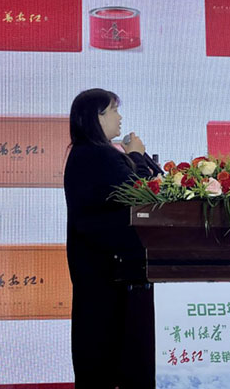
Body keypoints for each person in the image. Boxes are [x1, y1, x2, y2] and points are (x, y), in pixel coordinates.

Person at [64, 88, 155, 389]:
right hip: (108, 277)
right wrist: (137, 156)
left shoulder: (88, 153)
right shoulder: (96, 155)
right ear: (96, 117)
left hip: (104, 275)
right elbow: (140, 194)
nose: (120, 117)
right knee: (109, 359)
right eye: (114, 110)